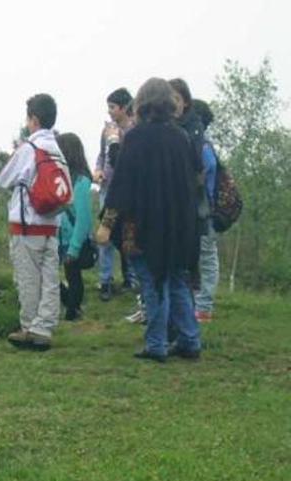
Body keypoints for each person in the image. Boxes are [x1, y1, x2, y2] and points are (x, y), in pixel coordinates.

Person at [96, 78, 202, 363]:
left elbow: (122, 185)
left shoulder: (137, 138)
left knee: (154, 283)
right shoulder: (181, 137)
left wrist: (107, 223)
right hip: (180, 224)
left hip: (146, 224)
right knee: (178, 280)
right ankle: (190, 340)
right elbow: (195, 181)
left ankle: (156, 344)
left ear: (141, 104)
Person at [0, 94, 66, 351]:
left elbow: (4, 179)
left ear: (33, 120)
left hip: (27, 223)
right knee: (50, 278)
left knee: (28, 278)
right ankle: (45, 327)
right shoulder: (57, 149)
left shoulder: (30, 148)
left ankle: (29, 328)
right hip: (52, 222)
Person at [94, 88, 136, 302]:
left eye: (112, 107)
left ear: (123, 108)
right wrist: (98, 170)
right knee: (105, 236)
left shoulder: (134, 131)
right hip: (107, 187)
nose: (109, 112)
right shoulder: (107, 131)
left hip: (128, 190)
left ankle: (132, 278)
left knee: (128, 233)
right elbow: (102, 156)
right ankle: (106, 280)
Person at [56, 133, 93, 321]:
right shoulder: (65, 179)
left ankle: (73, 310)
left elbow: (83, 217)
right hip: (62, 237)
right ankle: (73, 308)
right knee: (62, 275)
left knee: (73, 274)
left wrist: (75, 246)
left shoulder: (80, 181)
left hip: (72, 238)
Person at [191, 98, 220, 323]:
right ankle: (199, 304)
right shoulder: (203, 146)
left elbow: (203, 174)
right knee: (201, 257)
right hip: (201, 211)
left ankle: (204, 306)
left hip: (204, 212)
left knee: (206, 258)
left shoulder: (203, 148)